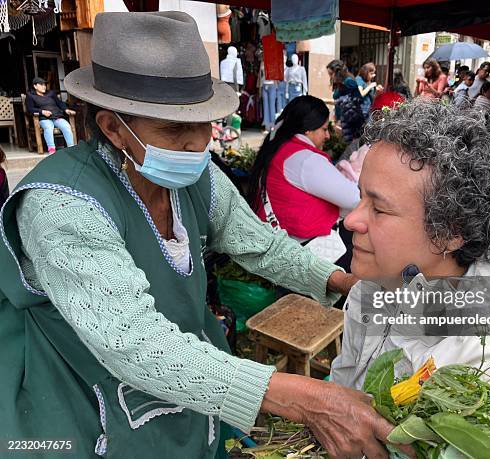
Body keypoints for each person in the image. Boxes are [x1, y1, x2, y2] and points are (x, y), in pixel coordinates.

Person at [0, 12, 413, 459]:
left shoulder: (196, 177)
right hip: (77, 383)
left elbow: (260, 244)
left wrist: (344, 284)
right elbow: (134, 341)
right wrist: (308, 400)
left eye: (204, 121)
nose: (199, 141)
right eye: (176, 128)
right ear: (113, 127)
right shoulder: (62, 204)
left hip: (180, 379)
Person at [330, 99, 490, 420]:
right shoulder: (376, 289)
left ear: (451, 232)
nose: (351, 220)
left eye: (379, 208)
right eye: (360, 197)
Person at [247, 96, 359, 243]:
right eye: (324, 129)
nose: (327, 135)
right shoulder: (305, 159)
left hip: (283, 241)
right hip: (309, 246)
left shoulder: (279, 149)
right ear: (308, 128)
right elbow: (354, 199)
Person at [25, 76, 76, 154]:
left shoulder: (51, 93)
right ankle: (52, 150)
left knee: (66, 126)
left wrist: (66, 110)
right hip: (44, 119)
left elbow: (59, 103)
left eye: (44, 84)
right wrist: (42, 112)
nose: (44, 86)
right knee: (48, 127)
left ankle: (71, 148)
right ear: (35, 86)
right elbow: (30, 109)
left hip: (57, 117)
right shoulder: (31, 96)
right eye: (41, 84)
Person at [327, 59, 364, 141]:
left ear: (337, 72)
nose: (330, 77)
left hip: (349, 122)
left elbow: (357, 99)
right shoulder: (340, 82)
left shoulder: (349, 81)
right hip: (341, 119)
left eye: (331, 74)